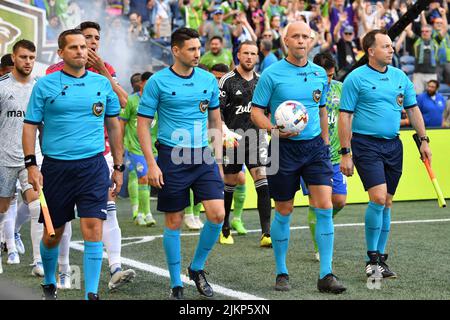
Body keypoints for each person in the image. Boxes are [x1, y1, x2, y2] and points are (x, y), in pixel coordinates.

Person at [23, 29, 123, 300]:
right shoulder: (45, 85)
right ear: (61, 53)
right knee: (53, 233)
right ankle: (48, 281)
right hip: (56, 168)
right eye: (74, 47)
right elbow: (30, 126)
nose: (81, 51)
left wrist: (119, 165)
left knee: (94, 227)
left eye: (84, 47)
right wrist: (31, 164)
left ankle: (90, 293)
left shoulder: (102, 84)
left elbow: (114, 125)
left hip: (93, 166)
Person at [251, 21, 346, 294]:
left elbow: (321, 109)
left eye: (306, 36)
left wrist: (326, 143)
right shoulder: (271, 74)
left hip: (315, 149)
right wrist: (273, 130)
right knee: (284, 210)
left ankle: (326, 274)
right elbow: (256, 112)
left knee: (325, 206)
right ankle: (282, 271)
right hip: (282, 149)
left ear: (312, 40)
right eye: (296, 36)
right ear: (285, 41)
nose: (301, 41)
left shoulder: (319, 74)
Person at [46, 21, 135, 291]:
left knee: (105, 212)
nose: (92, 43)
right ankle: (63, 270)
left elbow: (123, 103)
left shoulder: (106, 71)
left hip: (100, 153)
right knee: (62, 219)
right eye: (86, 39)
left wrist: (102, 73)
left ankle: (116, 267)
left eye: (95, 39)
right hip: (62, 157)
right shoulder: (53, 72)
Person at [137, 27, 225, 300]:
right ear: (175, 51)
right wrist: (152, 163)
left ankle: (196, 268)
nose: (198, 53)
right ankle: (176, 283)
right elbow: (142, 124)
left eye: (199, 48)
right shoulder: (158, 82)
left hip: (202, 155)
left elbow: (215, 122)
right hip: (171, 157)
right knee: (174, 221)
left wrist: (219, 159)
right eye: (191, 49)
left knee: (218, 215)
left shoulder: (208, 80)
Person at [339, 29, 432, 281]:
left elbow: (413, 111)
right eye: (386, 46)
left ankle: (380, 257)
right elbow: (345, 116)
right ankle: (371, 260)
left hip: (394, 145)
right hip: (366, 145)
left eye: (391, 46)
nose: (391, 49)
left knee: (387, 202)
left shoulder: (400, 77)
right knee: (378, 198)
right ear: (371, 50)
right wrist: (345, 152)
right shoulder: (355, 78)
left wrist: (423, 140)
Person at [219, 40, 272, 247]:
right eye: (246, 53)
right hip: (233, 139)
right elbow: (218, 111)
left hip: (257, 138)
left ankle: (266, 234)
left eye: (253, 53)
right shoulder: (227, 81)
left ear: (257, 57)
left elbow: (267, 109)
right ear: (238, 55)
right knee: (230, 182)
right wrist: (224, 132)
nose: (250, 57)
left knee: (262, 179)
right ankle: (224, 228)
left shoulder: (262, 81)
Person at [0, 40, 44, 276]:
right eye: (23, 57)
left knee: (36, 206)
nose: (28, 62)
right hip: (3, 158)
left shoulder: (39, 87)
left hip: (31, 159)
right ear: (14, 58)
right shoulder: (1, 87)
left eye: (31, 58)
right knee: (2, 208)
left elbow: (44, 125)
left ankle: (38, 262)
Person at [303, 51, 347, 262]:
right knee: (317, 202)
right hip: (312, 153)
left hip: (336, 155)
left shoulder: (340, 88)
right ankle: (319, 245)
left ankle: (322, 222)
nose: (328, 80)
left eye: (331, 75)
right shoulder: (307, 88)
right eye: (325, 75)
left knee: (339, 200)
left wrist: (349, 150)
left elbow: (347, 119)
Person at [120, 71, 156, 226]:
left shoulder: (157, 101)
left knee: (146, 179)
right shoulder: (132, 101)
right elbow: (122, 123)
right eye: (147, 83)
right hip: (134, 147)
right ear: (141, 83)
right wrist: (120, 145)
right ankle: (146, 214)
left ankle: (140, 213)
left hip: (152, 147)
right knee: (141, 176)